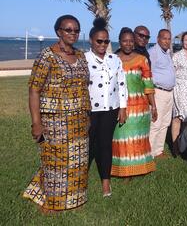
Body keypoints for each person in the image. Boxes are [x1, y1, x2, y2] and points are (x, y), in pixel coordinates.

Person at [23, 15, 90, 212]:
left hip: (79, 120)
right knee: (55, 160)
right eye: (68, 29)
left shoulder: (81, 56)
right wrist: (36, 122)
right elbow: (34, 89)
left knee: (78, 161)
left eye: (76, 30)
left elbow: (85, 87)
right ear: (58, 31)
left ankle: (75, 200)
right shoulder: (47, 56)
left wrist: (88, 115)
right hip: (55, 120)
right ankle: (51, 203)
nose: (73, 33)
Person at [85, 18, 128, 197]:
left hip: (110, 109)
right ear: (91, 41)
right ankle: (80, 179)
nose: (103, 44)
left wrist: (123, 107)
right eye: (99, 41)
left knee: (105, 145)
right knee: (87, 146)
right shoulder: (83, 59)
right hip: (90, 111)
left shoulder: (114, 59)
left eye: (106, 41)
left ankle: (105, 183)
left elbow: (122, 83)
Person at [111, 28, 158, 178]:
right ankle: (123, 171)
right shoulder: (112, 59)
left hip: (140, 109)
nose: (128, 44)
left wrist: (154, 106)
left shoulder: (141, 59)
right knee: (122, 139)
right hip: (119, 107)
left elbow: (148, 85)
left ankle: (141, 168)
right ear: (119, 42)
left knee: (138, 140)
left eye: (131, 41)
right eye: (125, 41)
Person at [148, 29, 176, 158]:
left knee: (165, 123)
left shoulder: (167, 52)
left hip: (169, 92)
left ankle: (158, 151)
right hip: (158, 92)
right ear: (158, 38)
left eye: (169, 39)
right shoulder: (153, 52)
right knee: (155, 123)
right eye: (164, 38)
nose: (167, 41)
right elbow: (149, 74)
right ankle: (149, 154)